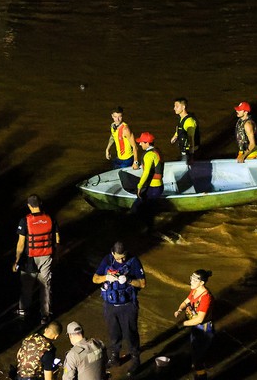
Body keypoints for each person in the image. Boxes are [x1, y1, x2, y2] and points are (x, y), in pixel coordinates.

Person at [91, 242, 144, 371]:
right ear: (113, 253)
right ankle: (114, 358)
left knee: (130, 333)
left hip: (128, 306)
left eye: (123, 257)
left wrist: (129, 280)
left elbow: (142, 283)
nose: (121, 260)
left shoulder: (133, 261)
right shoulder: (107, 260)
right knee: (114, 333)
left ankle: (136, 359)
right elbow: (95, 279)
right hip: (110, 305)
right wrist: (106, 277)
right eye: (118, 257)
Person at [13, 194, 59, 323]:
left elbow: (21, 243)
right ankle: (45, 315)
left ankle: (23, 309)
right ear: (41, 203)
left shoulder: (25, 221)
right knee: (45, 286)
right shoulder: (50, 218)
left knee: (26, 286)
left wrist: (16, 259)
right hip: (46, 256)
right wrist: (56, 255)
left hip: (30, 258)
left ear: (29, 206)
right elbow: (57, 239)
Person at [175, 269, 214, 379]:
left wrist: (184, 323)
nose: (191, 281)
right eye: (191, 278)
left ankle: (201, 376)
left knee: (198, 358)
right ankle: (197, 371)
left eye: (194, 280)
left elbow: (200, 319)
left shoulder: (206, 297)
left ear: (202, 282)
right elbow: (186, 301)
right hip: (195, 327)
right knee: (195, 352)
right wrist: (179, 309)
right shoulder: (194, 290)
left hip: (203, 329)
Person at [131, 132, 163, 230]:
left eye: (141, 142)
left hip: (153, 188)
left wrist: (139, 186)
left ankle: (145, 230)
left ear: (147, 143)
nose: (140, 144)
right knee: (146, 210)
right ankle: (148, 229)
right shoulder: (156, 151)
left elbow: (146, 173)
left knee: (137, 208)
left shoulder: (149, 155)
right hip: (157, 186)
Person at [170, 98, 200, 164]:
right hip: (184, 149)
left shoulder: (189, 121)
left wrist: (192, 157)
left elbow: (191, 140)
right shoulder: (181, 118)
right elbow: (181, 128)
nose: (174, 108)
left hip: (188, 152)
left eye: (177, 106)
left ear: (183, 107)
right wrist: (175, 136)